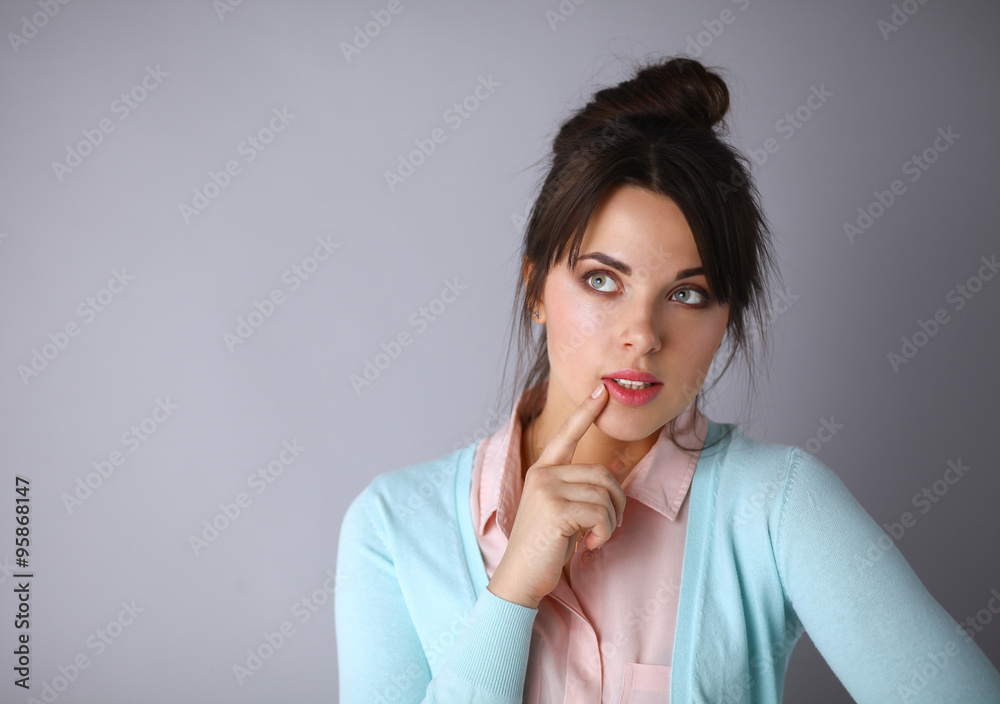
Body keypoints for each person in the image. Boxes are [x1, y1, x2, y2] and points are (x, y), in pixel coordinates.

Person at [334, 55, 1000, 703]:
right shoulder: (394, 526)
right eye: (602, 281)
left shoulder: (776, 507)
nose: (643, 334)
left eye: (687, 294)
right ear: (535, 286)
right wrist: (512, 592)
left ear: (726, 317)